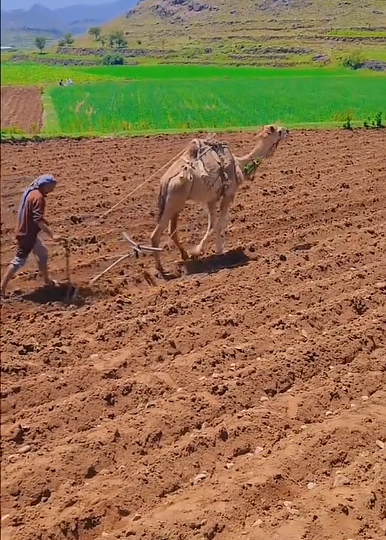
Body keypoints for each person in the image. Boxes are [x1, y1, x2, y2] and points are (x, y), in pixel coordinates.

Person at [1, 174, 64, 297]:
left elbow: (32, 214)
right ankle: (1, 288)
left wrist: (43, 220)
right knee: (18, 261)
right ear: (45, 186)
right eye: (52, 187)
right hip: (27, 235)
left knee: (42, 253)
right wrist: (52, 235)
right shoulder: (39, 198)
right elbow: (37, 220)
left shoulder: (32, 192)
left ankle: (47, 281)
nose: (53, 190)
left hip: (27, 232)